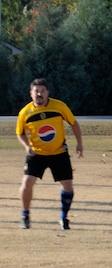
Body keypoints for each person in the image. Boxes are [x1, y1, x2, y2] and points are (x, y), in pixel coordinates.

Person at [16, 78, 84, 230]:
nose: (39, 94)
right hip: (36, 154)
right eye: (36, 91)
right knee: (27, 183)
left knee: (67, 185)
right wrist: (26, 146)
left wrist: (79, 143)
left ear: (47, 93)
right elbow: (20, 133)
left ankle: (64, 218)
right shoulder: (25, 112)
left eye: (42, 91)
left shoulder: (59, 107)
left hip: (59, 152)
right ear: (31, 93)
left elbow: (73, 123)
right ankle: (25, 215)